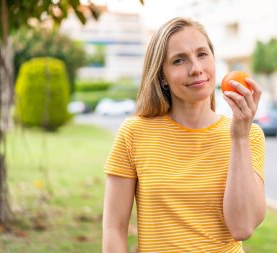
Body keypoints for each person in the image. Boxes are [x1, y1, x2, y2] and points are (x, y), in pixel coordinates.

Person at [102, 17, 266, 253]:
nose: (196, 68)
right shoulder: (134, 134)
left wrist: (239, 138)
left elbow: (242, 228)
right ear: (162, 76)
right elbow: (114, 230)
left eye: (202, 54)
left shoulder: (249, 136)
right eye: (179, 60)